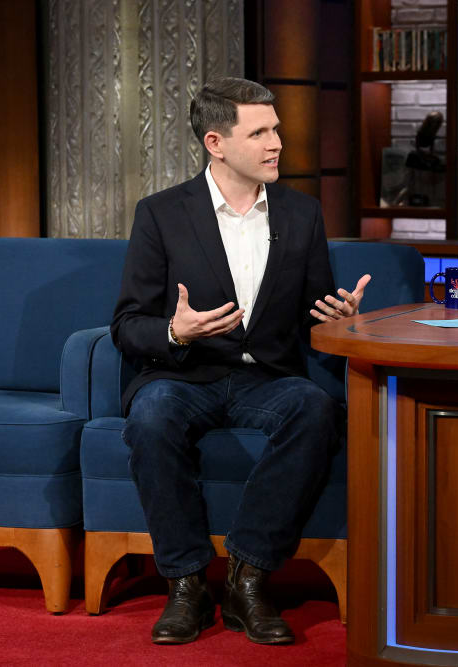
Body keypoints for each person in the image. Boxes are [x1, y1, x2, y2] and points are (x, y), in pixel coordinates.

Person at [111, 77, 369, 645]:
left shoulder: (301, 214)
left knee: (315, 410)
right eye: (260, 133)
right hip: (184, 375)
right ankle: (186, 586)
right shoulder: (161, 214)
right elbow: (127, 325)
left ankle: (247, 579)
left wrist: (338, 316)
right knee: (151, 417)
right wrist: (175, 330)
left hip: (267, 378)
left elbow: (313, 315)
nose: (277, 143)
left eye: (276, 130)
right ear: (216, 143)